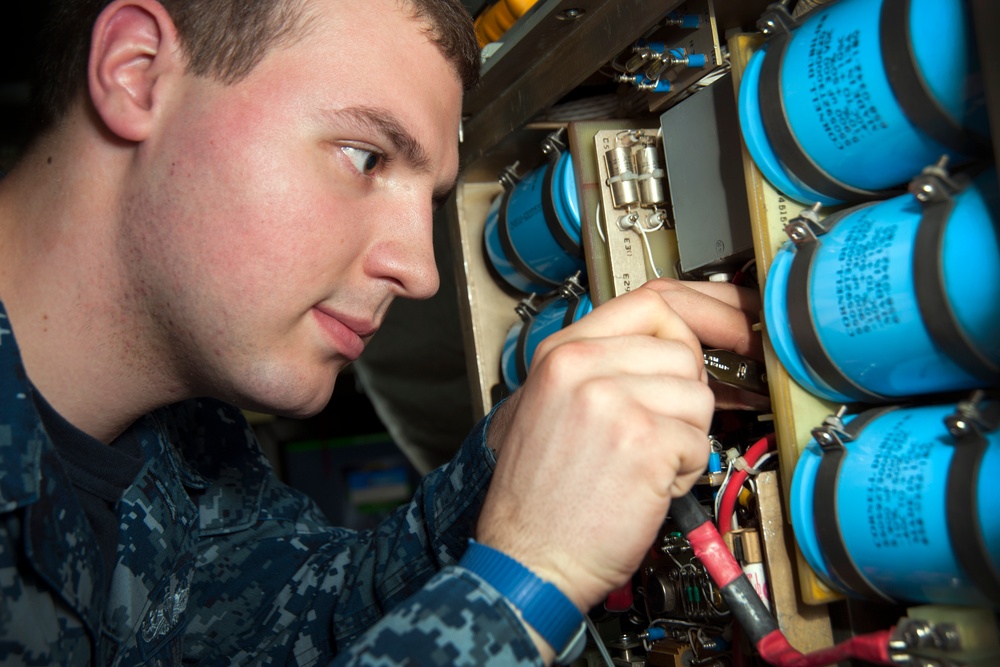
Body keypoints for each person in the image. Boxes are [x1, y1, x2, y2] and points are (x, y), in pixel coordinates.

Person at [0, 0, 763, 664]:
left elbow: (303, 623)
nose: (422, 273)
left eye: (429, 202)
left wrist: (514, 456)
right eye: (365, 157)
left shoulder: (186, 447)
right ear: (136, 72)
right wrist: (528, 583)